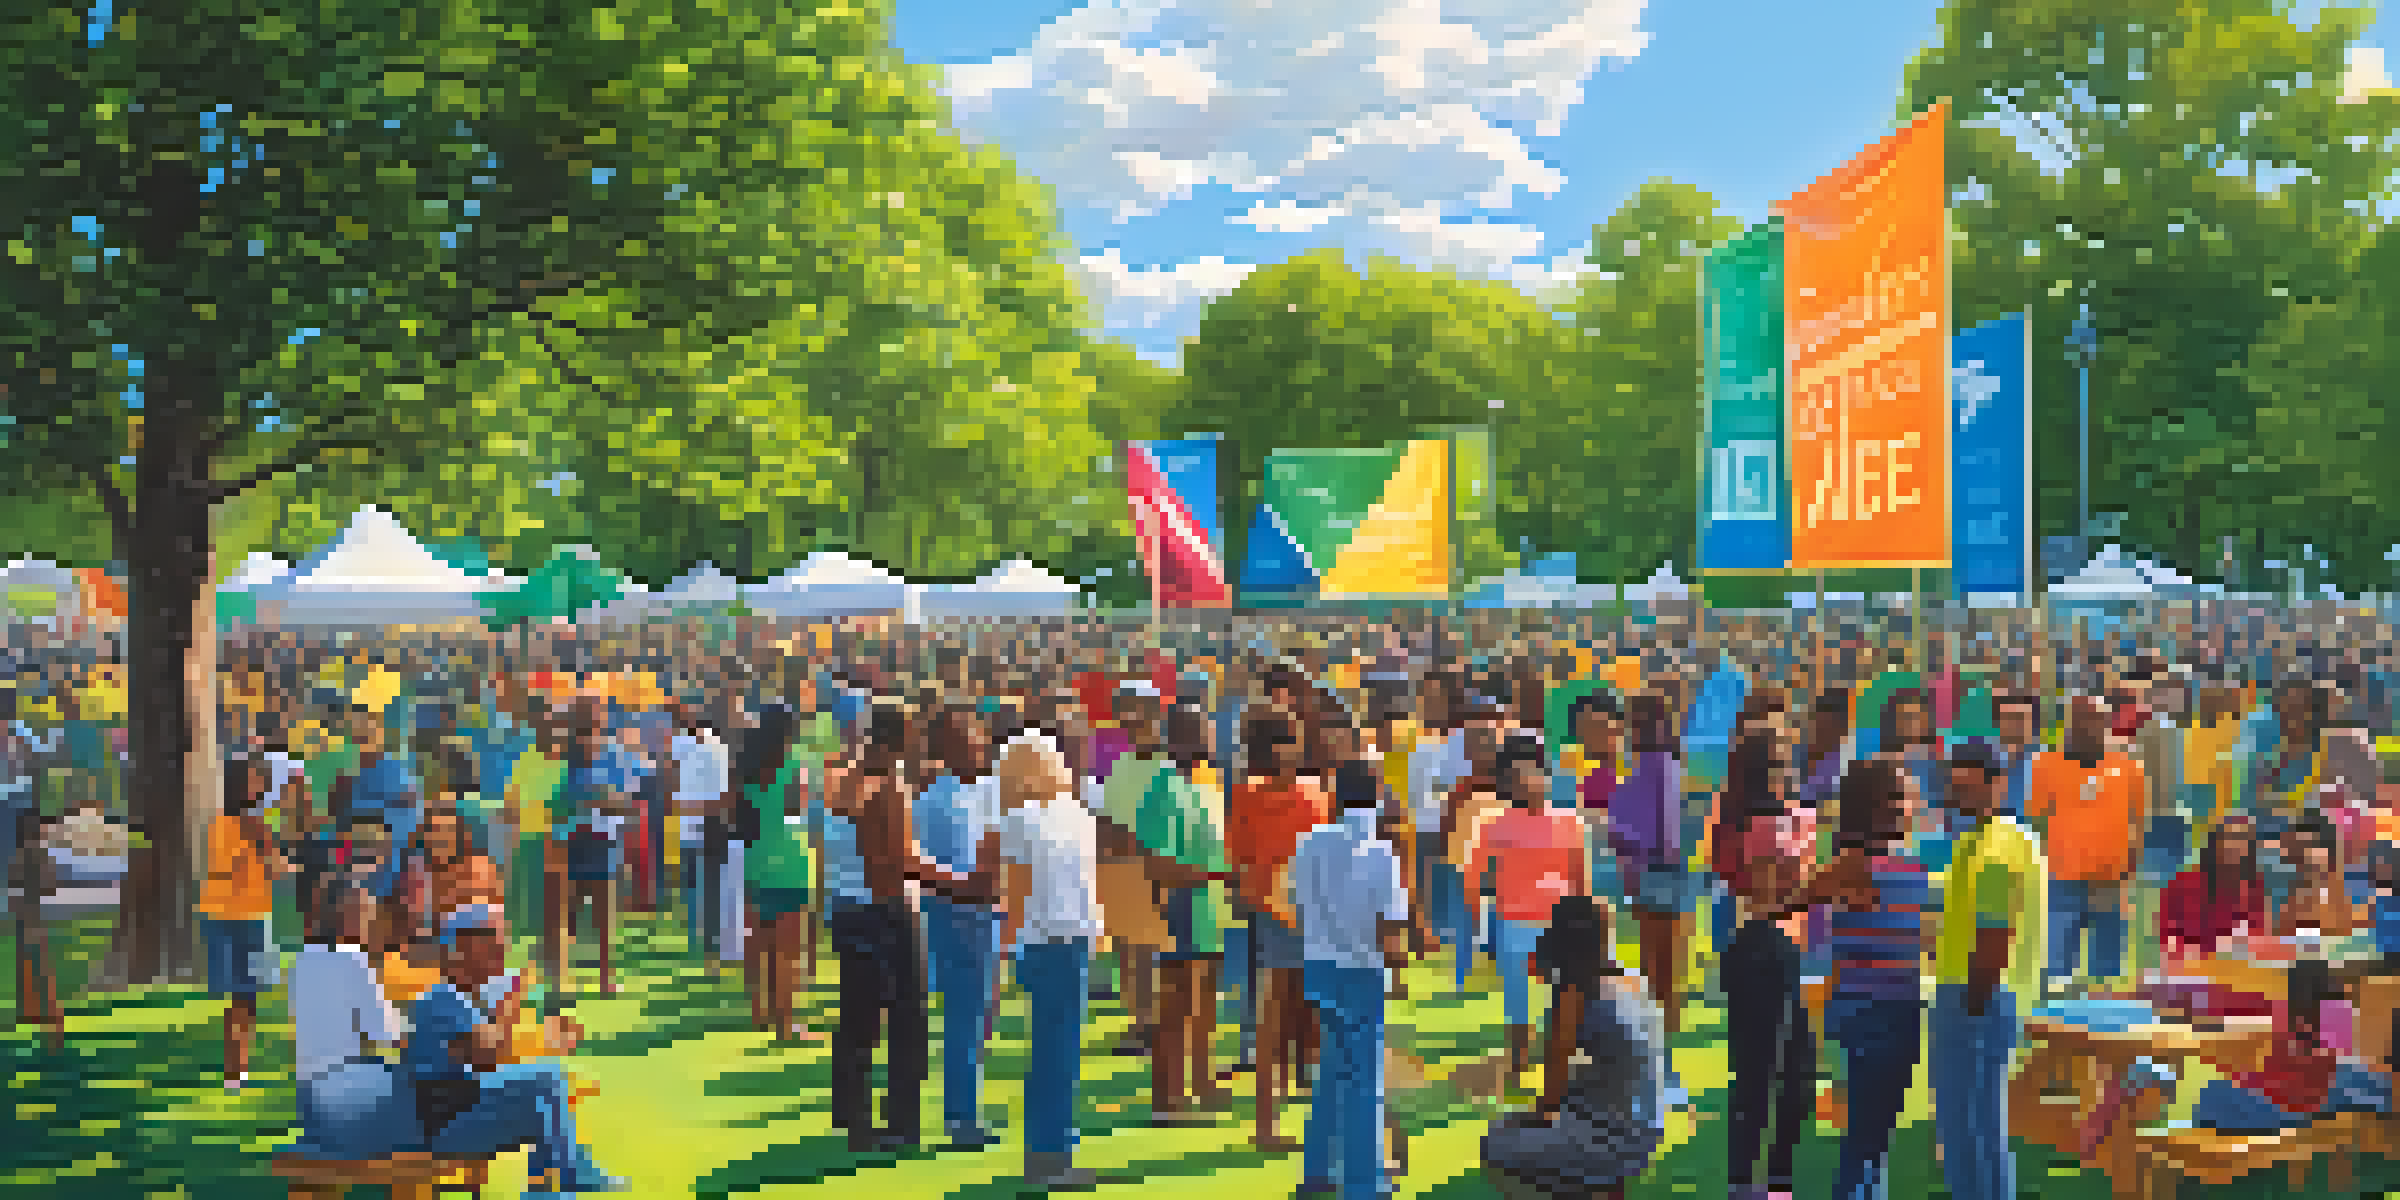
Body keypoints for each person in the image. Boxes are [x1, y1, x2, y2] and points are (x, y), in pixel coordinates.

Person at [830, 701, 986, 1153]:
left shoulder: (843, 780)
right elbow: (899, 859)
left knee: (857, 1021)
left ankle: (853, 1118)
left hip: (847, 907)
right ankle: (899, 1124)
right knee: (905, 1023)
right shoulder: (890, 786)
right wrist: (960, 883)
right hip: (887, 910)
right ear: (900, 738)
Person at [402, 904, 623, 1195]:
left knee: (545, 1099)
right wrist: (508, 1006)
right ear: (466, 947)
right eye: (493, 942)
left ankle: (558, 1183)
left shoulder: (457, 997)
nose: (502, 951)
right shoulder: (442, 998)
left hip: (456, 1111)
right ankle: (569, 1175)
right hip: (441, 1129)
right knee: (545, 1092)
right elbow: (486, 1058)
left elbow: (484, 1061)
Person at [1479, 894, 1667, 1200]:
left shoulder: (1573, 993)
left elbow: (1549, 1100)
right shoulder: (1632, 980)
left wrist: (1525, 1118)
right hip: (1648, 1133)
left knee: (1495, 1142)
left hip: (1614, 1141)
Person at [1929, 740, 2046, 1200]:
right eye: (1955, 787)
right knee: (1974, 1121)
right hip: (1982, 992)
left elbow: (1996, 935)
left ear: (1998, 785)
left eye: (1971, 788)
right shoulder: (1992, 839)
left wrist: (1973, 1004)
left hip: (1979, 995)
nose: (1961, 797)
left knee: (1968, 1124)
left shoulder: (1997, 848)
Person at [1290, 759, 1411, 1200]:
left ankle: (1317, 1173)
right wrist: (1393, 970)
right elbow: (1390, 926)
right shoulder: (1383, 851)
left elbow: (1296, 904)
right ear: (1377, 795)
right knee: (1363, 1081)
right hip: (1363, 970)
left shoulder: (1308, 843)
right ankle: (1364, 1182)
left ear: (1336, 795)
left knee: (1330, 1074)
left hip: (1319, 965)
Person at [993, 730, 1104, 1190]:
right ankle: (1053, 1153)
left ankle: (1050, 1152)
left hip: (1043, 942)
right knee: (1060, 1054)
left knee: (1051, 1054)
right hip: (1069, 942)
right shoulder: (1079, 817)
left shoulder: (1021, 820)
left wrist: (1002, 949)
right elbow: (1086, 887)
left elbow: (1014, 893)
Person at [1820, 760, 1930, 1200]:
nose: (1914, 804)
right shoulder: (1867, 865)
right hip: (1875, 1012)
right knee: (1867, 1136)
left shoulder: (1892, 862)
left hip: (1882, 1008)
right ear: (1880, 806)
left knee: (1872, 1136)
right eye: (1905, 795)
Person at [1228, 706, 1332, 1152]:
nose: (1297, 747)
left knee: (1316, 1019)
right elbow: (1240, 860)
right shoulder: (1250, 796)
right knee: (1275, 1021)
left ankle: (1316, 1118)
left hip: (1314, 917)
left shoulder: (1314, 793)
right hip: (1280, 921)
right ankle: (1266, 1126)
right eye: (1287, 739)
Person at [1717, 733, 1815, 1200]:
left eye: (1788, 761)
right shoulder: (1759, 823)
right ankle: (1746, 1183)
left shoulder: (1795, 819)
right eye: (1776, 764)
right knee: (1759, 1076)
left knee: (1796, 1080)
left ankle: (1776, 1183)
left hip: (1788, 950)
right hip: (1760, 948)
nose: (1786, 771)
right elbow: (1771, 893)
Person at [1465, 733, 1587, 1077]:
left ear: (1545, 774)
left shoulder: (1570, 822)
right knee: (1517, 998)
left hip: (1560, 924)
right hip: (1513, 924)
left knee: (1563, 996)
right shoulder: (1494, 827)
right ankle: (1518, 1059)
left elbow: (1581, 880)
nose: (1525, 783)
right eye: (1514, 778)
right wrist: (1479, 926)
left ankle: (1558, 1061)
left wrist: (1585, 924)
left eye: (1531, 773)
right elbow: (1474, 879)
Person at [1137, 703, 1234, 1124]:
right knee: (1176, 1007)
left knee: (1206, 1006)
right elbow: (1156, 864)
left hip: (1211, 910)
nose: (1211, 736)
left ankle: (1203, 1086)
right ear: (1178, 737)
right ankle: (1167, 1102)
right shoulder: (1161, 790)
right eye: (1201, 728)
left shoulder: (1210, 783)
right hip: (1177, 909)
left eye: (1209, 727)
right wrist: (1217, 874)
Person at [917, 705, 1007, 1145]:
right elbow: (967, 871)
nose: (982, 742)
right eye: (972, 736)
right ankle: (962, 1117)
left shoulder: (949, 796)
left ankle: (958, 1111)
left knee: (969, 1017)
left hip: (960, 912)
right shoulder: (949, 800)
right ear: (953, 745)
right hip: (964, 914)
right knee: (967, 1017)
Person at [288, 883, 419, 1160]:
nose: (371, 923)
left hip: (308, 1104)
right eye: (367, 914)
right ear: (348, 916)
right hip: (345, 1102)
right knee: (423, 1083)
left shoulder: (300, 961)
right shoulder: (353, 958)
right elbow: (388, 1033)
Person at [2030, 695, 2146, 994]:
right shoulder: (2046, 766)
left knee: (2104, 973)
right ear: (2068, 724)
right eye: (2080, 719)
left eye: (2096, 719)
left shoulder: (2129, 767)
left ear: (2107, 723)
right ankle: (2055, 1021)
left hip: (2110, 880)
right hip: (2061, 880)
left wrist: (2130, 866)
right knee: (2056, 971)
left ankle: (2101, 1022)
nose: (2088, 726)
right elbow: (2037, 822)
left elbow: (2138, 820)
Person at [200, 753, 293, 1092]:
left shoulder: (220, 823)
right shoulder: (251, 825)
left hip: (226, 915)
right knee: (243, 997)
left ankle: (237, 1069)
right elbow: (277, 870)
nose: (263, 782)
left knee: (243, 997)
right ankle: (235, 1070)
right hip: (245, 917)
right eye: (257, 777)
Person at [735, 704, 812, 1042]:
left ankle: (760, 1013)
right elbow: (797, 809)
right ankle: (787, 1023)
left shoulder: (744, 766)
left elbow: (732, 810)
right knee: (787, 951)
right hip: (791, 860)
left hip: (755, 859)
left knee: (760, 943)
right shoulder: (794, 765)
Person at [2159, 816, 2265, 960]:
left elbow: (2257, 941)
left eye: (2244, 839)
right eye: (2231, 838)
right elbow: (2168, 941)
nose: (2237, 846)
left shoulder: (2252, 890)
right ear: (2215, 843)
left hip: (2236, 969)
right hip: (2188, 969)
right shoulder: (2182, 884)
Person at [12, 807, 64, 1053]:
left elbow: (16, 888)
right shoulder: (39, 855)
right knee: (40, 970)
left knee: (29, 968)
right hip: (35, 921)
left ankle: (35, 1016)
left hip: (26, 920)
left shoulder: (21, 855)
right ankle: (48, 1021)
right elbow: (50, 885)